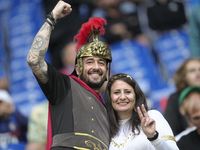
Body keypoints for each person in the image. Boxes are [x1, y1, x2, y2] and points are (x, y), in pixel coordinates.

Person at [26, 1, 112, 150]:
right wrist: (52, 18)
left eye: (101, 63)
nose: (96, 67)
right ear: (77, 68)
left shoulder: (109, 108)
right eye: (90, 62)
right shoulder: (65, 87)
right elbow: (34, 60)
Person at [104, 73, 179, 150]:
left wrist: (154, 137)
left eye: (127, 92)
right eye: (116, 92)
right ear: (109, 97)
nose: (122, 97)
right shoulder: (105, 128)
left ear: (135, 96)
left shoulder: (152, 117)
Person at [164, 58, 200, 136]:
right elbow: (171, 131)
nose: (198, 73)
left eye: (199, 69)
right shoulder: (175, 98)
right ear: (183, 76)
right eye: (192, 71)